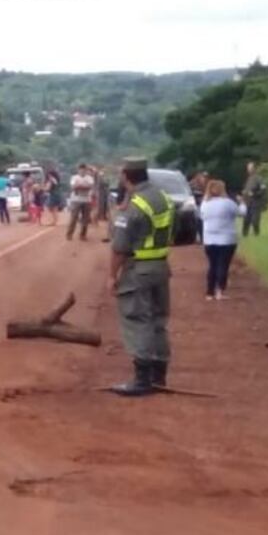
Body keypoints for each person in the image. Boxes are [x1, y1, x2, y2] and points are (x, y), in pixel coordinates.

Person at [107, 157, 175, 396]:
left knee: (138, 320)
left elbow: (119, 248)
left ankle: (142, 379)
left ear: (126, 176)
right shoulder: (164, 199)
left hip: (138, 269)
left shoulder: (134, 206)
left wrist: (112, 276)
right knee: (158, 321)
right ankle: (159, 375)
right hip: (161, 266)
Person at [200, 179, 241, 301]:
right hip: (226, 239)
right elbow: (241, 212)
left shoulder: (205, 204)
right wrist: (242, 202)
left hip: (209, 239)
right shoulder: (228, 203)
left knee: (212, 265)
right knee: (223, 265)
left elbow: (202, 217)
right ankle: (220, 291)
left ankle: (209, 292)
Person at [66, 163, 95, 241]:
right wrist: (83, 186)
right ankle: (69, 234)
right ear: (78, 170)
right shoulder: (74, 177)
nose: (82, 171)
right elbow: (73, 187)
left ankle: (83, 235)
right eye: (81, 170)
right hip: (76, 199)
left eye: (84, 170)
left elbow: (89, 187)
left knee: (85, 219)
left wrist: (79, 186)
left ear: (86, 170)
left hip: (86, 200)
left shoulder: (90, 178)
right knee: (74, 217)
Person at [241, 161, 267, 237]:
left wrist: (255, 194)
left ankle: (256, 233)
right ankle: (244, 234)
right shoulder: (249, 179)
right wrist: (244, 193)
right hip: (248, 202)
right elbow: (247, 189)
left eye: (251, 168)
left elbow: (263, 189)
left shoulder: (259, 179)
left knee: (255, 220)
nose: (249, 170)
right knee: (246, 219)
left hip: (256, 202)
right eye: (248, 168)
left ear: (254, 169)